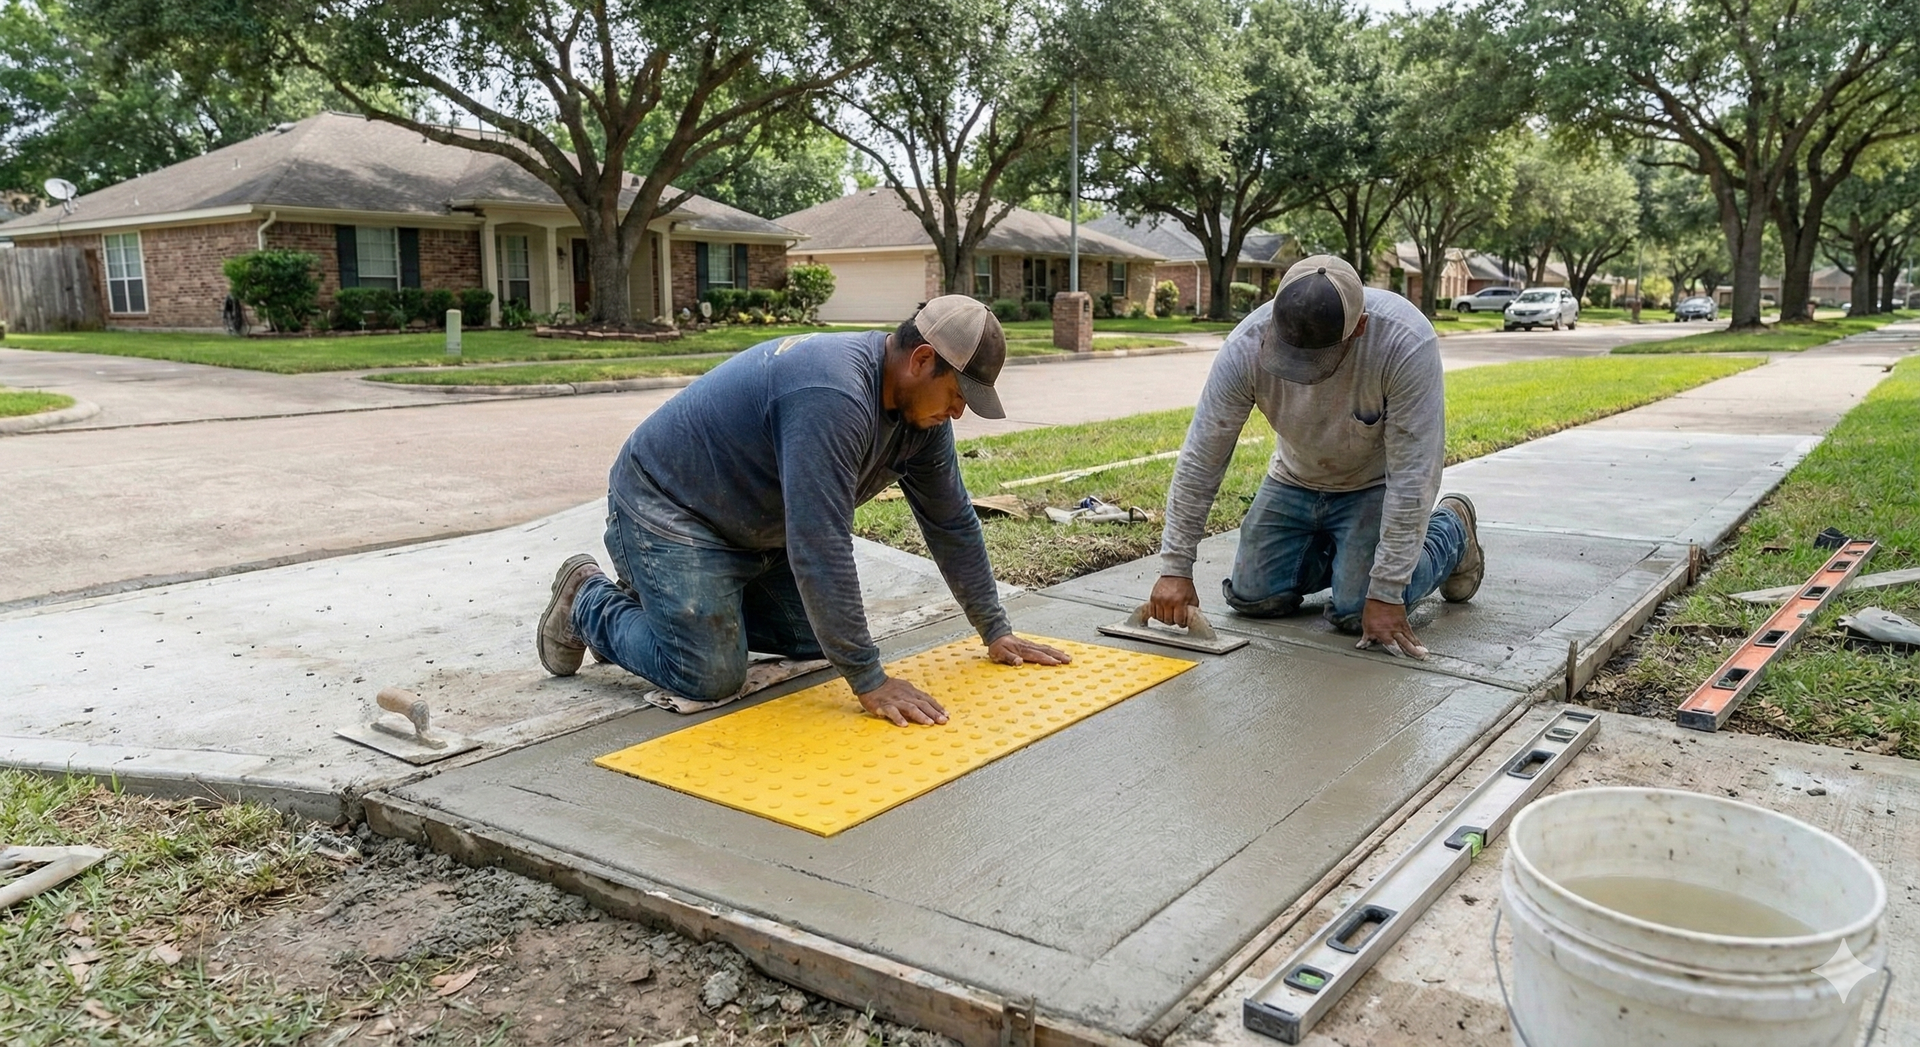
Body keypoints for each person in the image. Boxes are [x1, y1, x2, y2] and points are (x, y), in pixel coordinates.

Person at [537, 294, 1070, 725]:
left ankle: (679, 606)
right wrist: (870, 681)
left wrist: (995, 630)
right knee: (706, 673)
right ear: (922, 360)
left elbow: (951, 522)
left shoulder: (921, 421)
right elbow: (820, 545)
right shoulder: (832, 393)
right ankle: (586, 599)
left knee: (820, 641)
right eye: (957, 395)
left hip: (756, 529)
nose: (958, 412)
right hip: (671, 510)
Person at [1147, 255, 1485, 657]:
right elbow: (1202, 458)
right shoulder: (1244, 348)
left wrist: (1387, 589)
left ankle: (1452, 530)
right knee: (1252, 597)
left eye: (1317, 357)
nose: (1302, 371)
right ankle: (1349, 562)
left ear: (1358, 328)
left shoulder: (1405, 342)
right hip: (1294, 479)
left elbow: (1415, 473)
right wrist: (1175, 568)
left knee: (1358, 610)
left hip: (1371, 484)